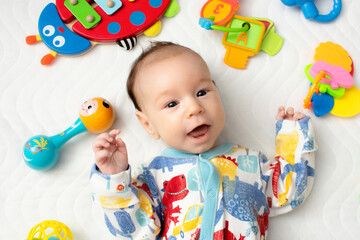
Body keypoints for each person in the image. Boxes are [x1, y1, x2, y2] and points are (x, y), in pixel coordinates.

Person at [90, 41, 317, 240]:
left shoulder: (250, 162)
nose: (194, 108)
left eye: (201, 92)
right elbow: (133, 231)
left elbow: (289, 192)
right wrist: (114, 178)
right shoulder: (152, 176)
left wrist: (291, 137)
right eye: (172, 104)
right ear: (149, 125)